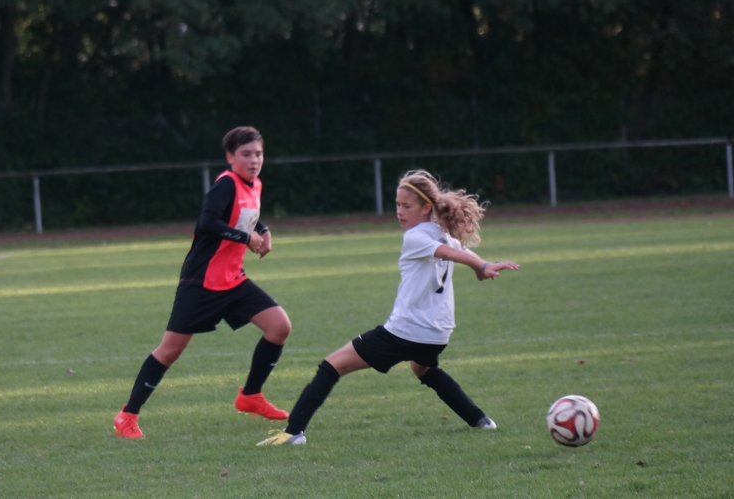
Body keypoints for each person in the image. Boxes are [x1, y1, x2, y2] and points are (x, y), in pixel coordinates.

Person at [257, 169, 519, 446]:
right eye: (397, 205)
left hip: (406, 331)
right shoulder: (444, 234)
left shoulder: (416, 237)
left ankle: (293, 433)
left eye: (407, 206)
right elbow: (461, 253)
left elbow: (450, 254)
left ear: (426, 207)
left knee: (331, 366)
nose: (400, 212)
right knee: (424, 369)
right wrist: (481, 267)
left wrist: (482, 265)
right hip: (437, 333)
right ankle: (480, 420)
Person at [114, 126, 292, 438]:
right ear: (230, 157)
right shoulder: (226, 183)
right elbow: (208, 221)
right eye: (246, 154)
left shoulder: (254, 184)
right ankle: (127, 416)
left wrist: (263, 230)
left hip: (233, 279)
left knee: (279, 326)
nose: (254, 160)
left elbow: (244, 215)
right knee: (170, 350)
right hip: (202, 281)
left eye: (258, 154)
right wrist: (245, 238)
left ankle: (251, 396)